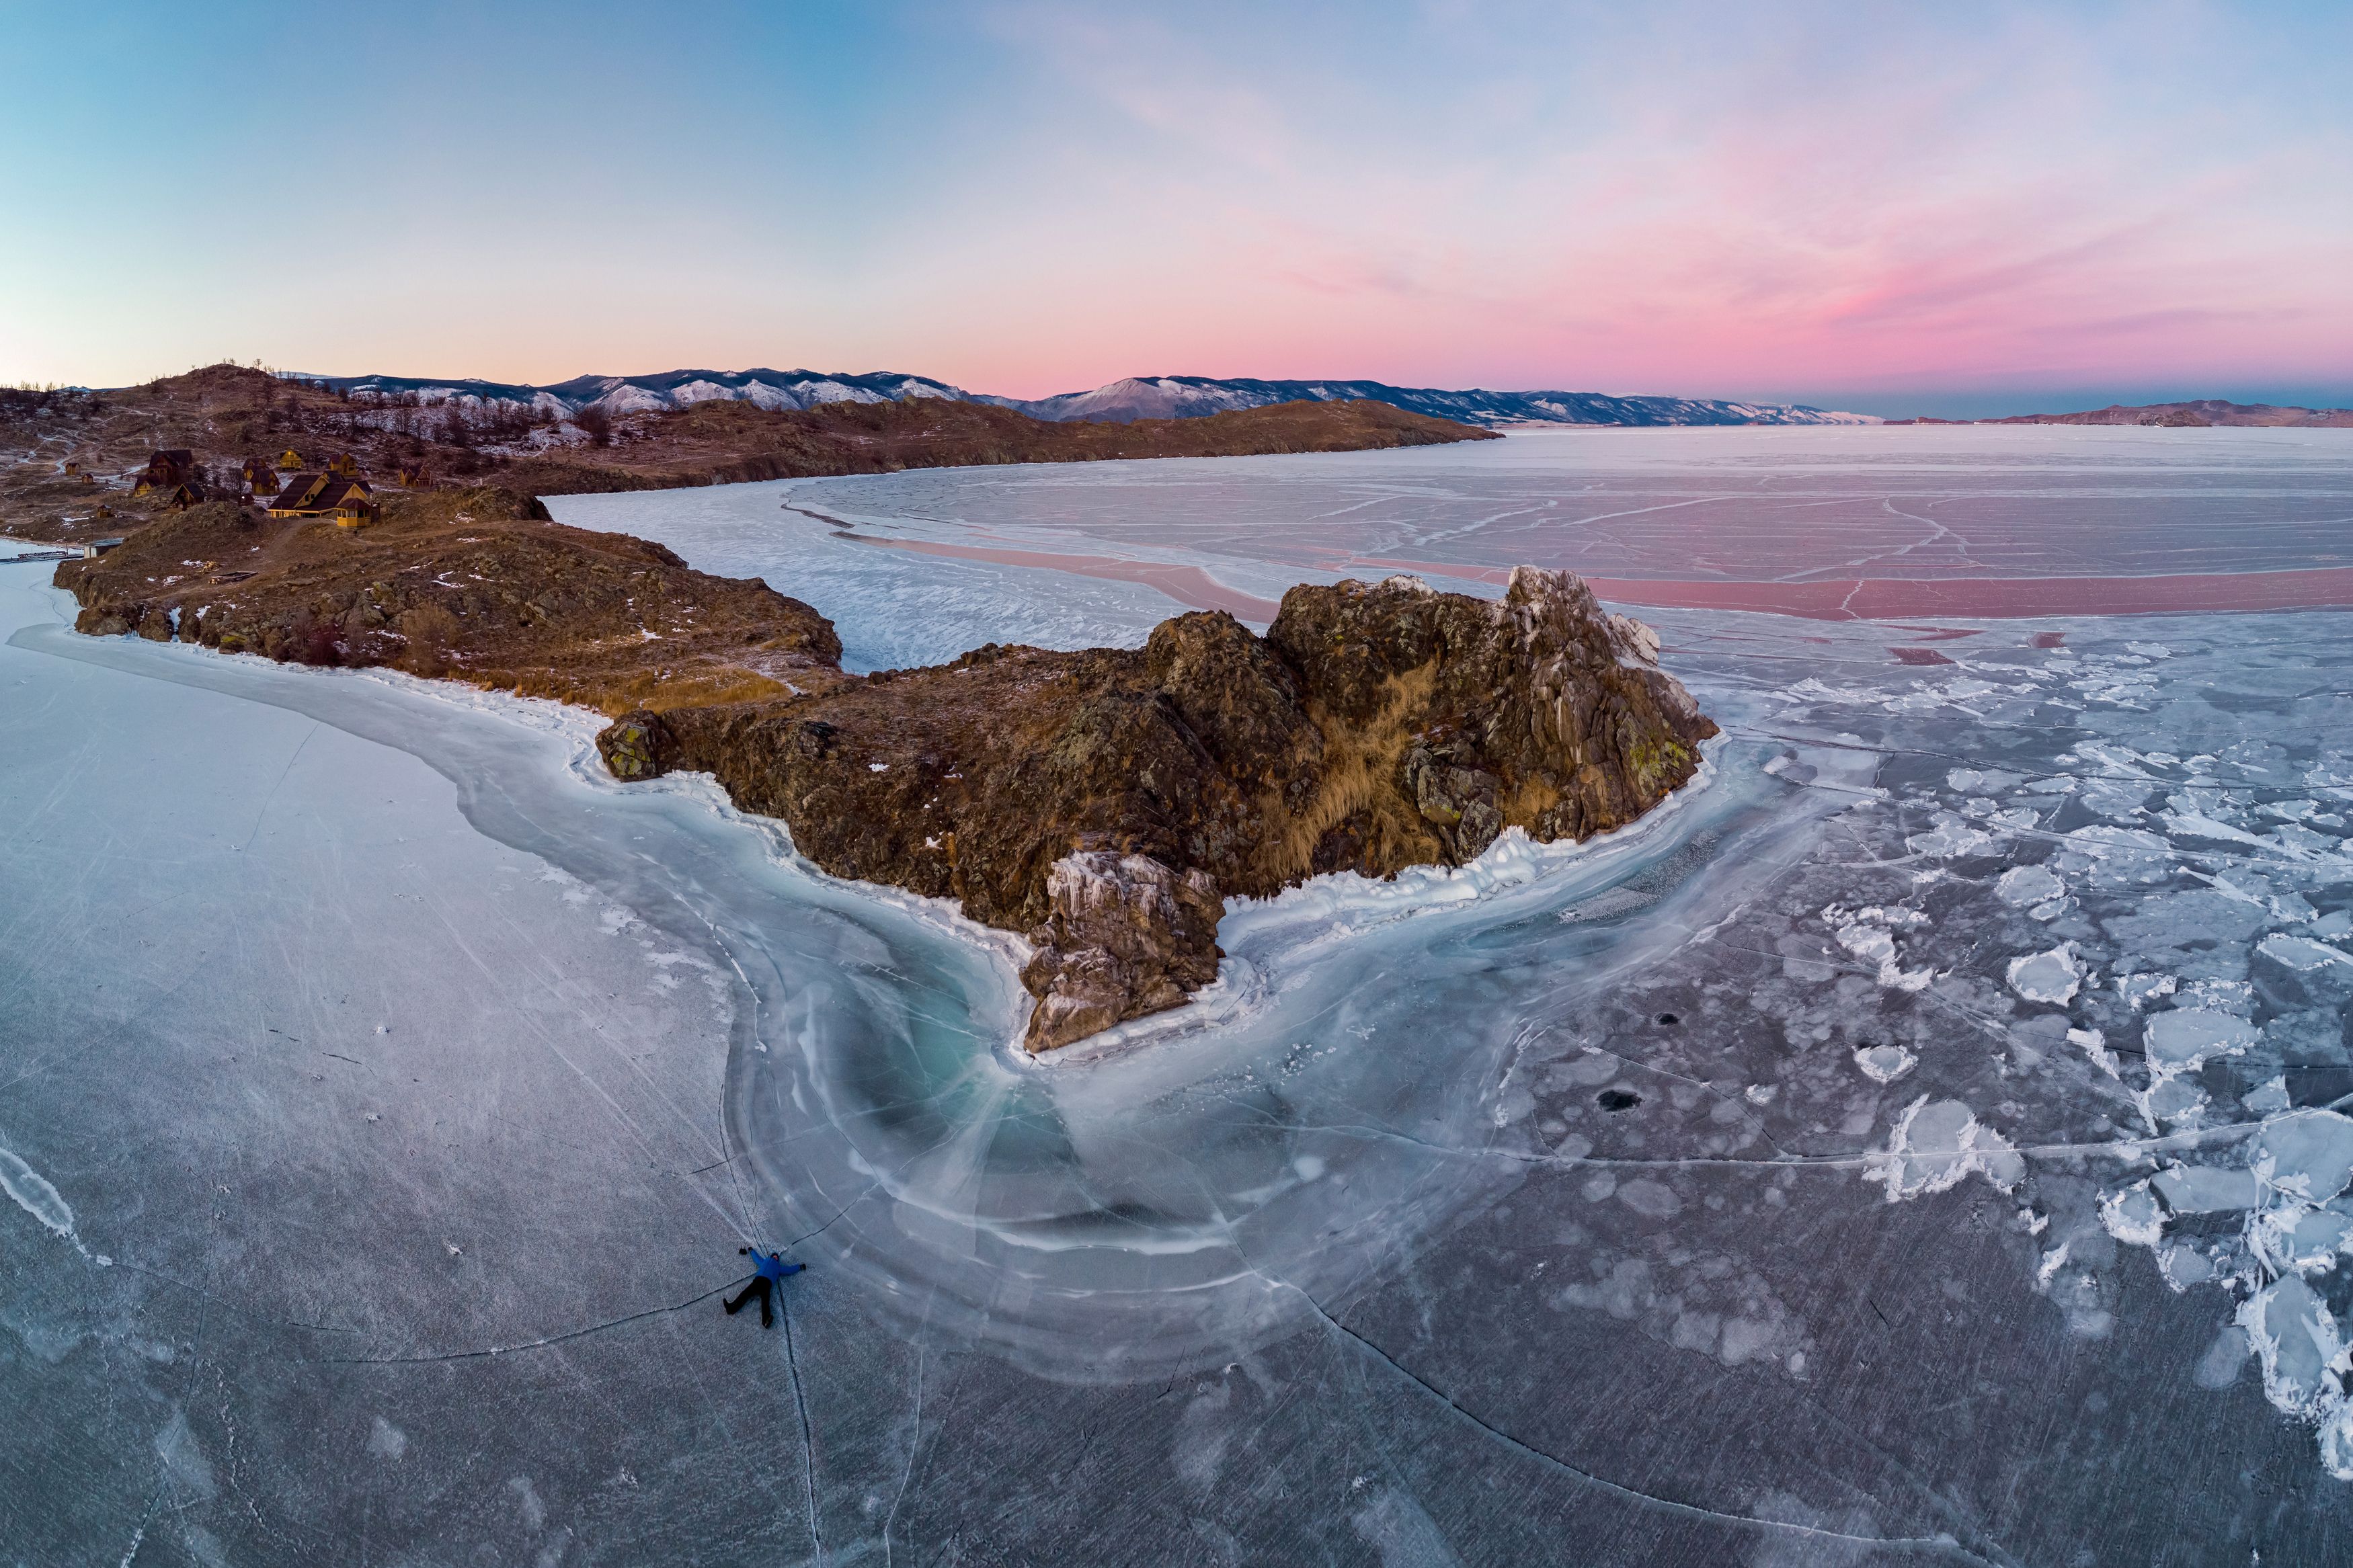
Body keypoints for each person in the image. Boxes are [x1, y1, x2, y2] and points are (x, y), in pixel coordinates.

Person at [725, 1246, 803, 1329]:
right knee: (745, 1294)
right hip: (758, 1281)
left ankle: (766, 1320)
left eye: (777, 1257)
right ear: (771, 1256)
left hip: (767, 1283)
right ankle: (731, 1308)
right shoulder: (764, 1261)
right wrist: (752, 1251)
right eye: (774, 1256)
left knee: (765, 1301)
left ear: (778, 1260)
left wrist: (799, 1267)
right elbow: (757, 1259)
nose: (775, 1257)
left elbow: (789, 1270)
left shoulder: (779, 1267)